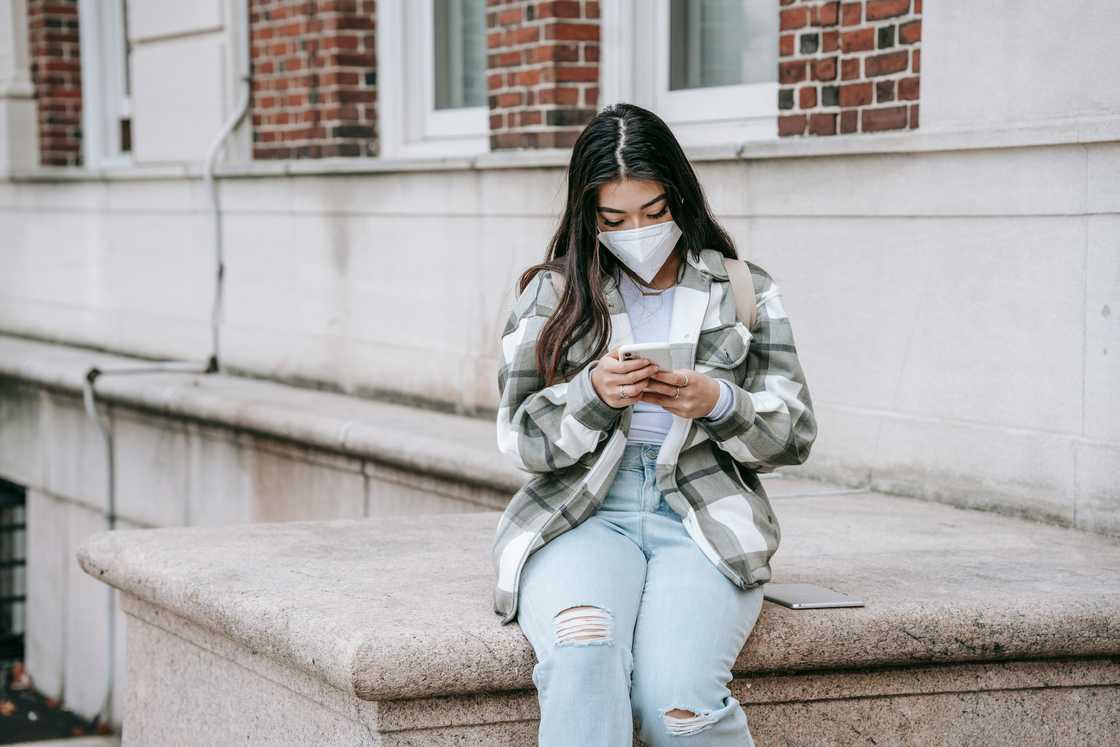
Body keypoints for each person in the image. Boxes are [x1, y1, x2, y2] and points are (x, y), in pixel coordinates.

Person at [492, 102, 818, 746]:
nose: (636, 230)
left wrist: (719, 403)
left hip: (702, 514)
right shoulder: (552, 295)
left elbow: (795, 433)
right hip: (581, 514)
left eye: (654, 211)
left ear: (681, 198)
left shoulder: (742, 288)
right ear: (589, 218)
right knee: (584, 652)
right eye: (614, 219)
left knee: (676, 706)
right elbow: (520, 440)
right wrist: (591, 393)